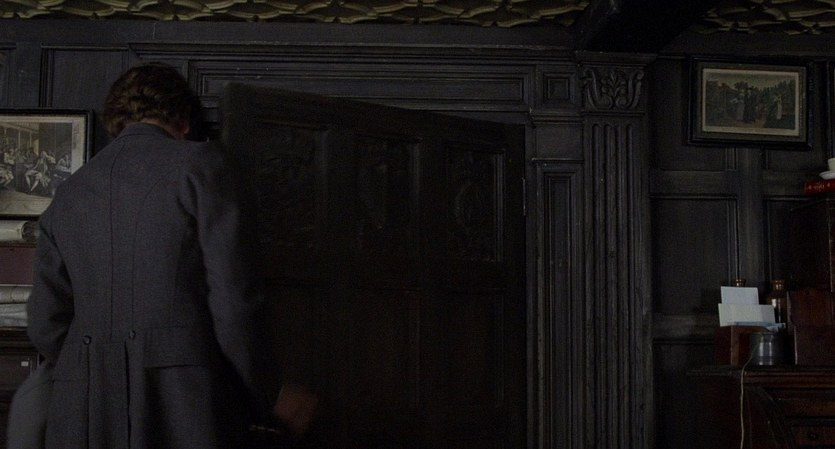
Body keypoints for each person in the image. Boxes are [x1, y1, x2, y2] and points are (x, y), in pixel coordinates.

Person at [24, 62, 316, 449]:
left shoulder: (67, 193)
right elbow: (234, 301)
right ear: (183, 121)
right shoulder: (202, 166)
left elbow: (45, 321)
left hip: (83, 408)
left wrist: (90, 366)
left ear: (115, 124)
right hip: (184, 401)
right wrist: (269, 391)